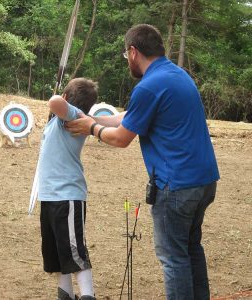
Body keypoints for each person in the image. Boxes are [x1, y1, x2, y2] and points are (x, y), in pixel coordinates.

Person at [65, 24, 220, 300]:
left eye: (126, 55)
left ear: (134, 52)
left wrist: (91, 129)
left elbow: (122, 138)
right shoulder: (176, 75)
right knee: (191, 249)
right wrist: (93, 119)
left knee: (174, 259)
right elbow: (130, 117)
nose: (128, 61)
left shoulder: (148, 86)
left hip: (176, 187)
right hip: (204, 182)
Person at [38, 78, 98, 300]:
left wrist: (61, 99)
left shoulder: (74, 117)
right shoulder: (60, 121)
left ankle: (88, 295)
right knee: (57, 253)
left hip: (67, 197)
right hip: (50, 197)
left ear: (68, 98)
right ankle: (65, 295)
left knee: (75, 252)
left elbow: (54, 102)